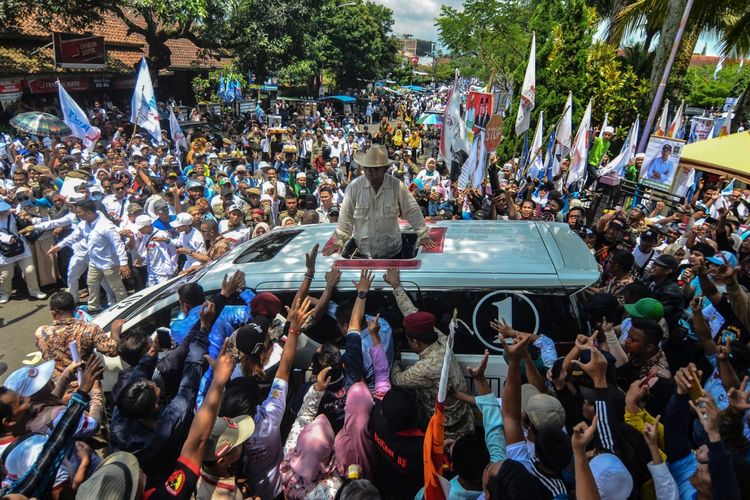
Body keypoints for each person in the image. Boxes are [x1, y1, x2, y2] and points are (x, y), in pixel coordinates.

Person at [323, 145, 435, 259]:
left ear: (385, 168)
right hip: (363, 253)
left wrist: (423, 235)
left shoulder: (397, 186)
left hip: (394, 252)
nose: (370, 172)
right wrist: (339, 241)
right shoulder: (354, 187)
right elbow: (346, 216)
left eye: (375, 168)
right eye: (366, 168)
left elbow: (412, 210)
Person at [49, 200, 130, 314]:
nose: (77, 215)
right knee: (92, 283)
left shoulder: (106, 226)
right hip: (94, 261)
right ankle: (93, 307)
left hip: (109, 263)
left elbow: (118, 244)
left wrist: (123, 263)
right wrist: (59, 246)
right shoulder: (83, 224)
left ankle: (125, 309)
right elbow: (74, 237)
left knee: (117, 288)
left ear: (89, 213)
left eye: (79, 212)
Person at [33, 291, 120, 388]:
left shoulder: (41, 333)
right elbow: (113, 351)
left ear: (54, 312)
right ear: (74, 309)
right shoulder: (89, 329)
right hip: (88, 389)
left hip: (57, 391)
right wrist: (115, 330)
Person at [0, 199, 47, 303]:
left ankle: (35, 291)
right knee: (5, 276)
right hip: (3, 251)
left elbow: (25, 226)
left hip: (20, 247)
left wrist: (24, 218)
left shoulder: (13, 215)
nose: (2, 212)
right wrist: (7, 239)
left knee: (30, 270)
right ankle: (5, 293)